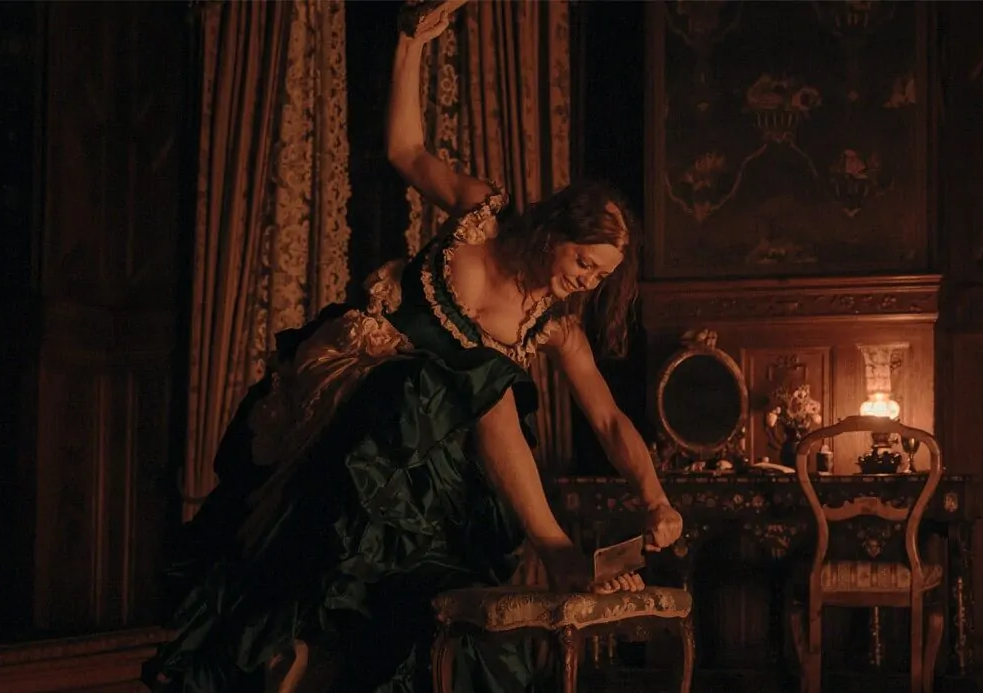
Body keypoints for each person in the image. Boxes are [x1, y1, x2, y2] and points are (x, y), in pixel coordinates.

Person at [143, 4, 682, 692]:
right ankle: (549, 551)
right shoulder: (483, 218)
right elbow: (405, 151)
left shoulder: (553, 327)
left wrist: (656, 498)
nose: (586, 282)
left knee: (476, 408)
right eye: (585, 262)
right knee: (452, 385)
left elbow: (608, 419)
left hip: (426, 470)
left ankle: (357, 648)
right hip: (358, 403)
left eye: (600, 278)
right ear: (555, 230)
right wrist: (409, 46)